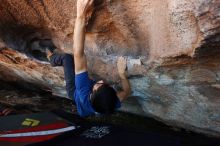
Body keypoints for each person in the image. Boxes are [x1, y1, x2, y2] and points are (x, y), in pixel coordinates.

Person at [46, 0, 131, 117]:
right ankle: (89, 112)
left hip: (73, 91)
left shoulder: (82, 90)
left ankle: (51, 58)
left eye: (98, 85)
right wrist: (122, 74)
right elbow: (127, 91)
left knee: (67, 58)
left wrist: (81, 14)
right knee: (90, 110)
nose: (101, 81)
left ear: (91, 93)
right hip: (91, 108)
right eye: (106, 85)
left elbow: (78, 53)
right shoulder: (113, 102)